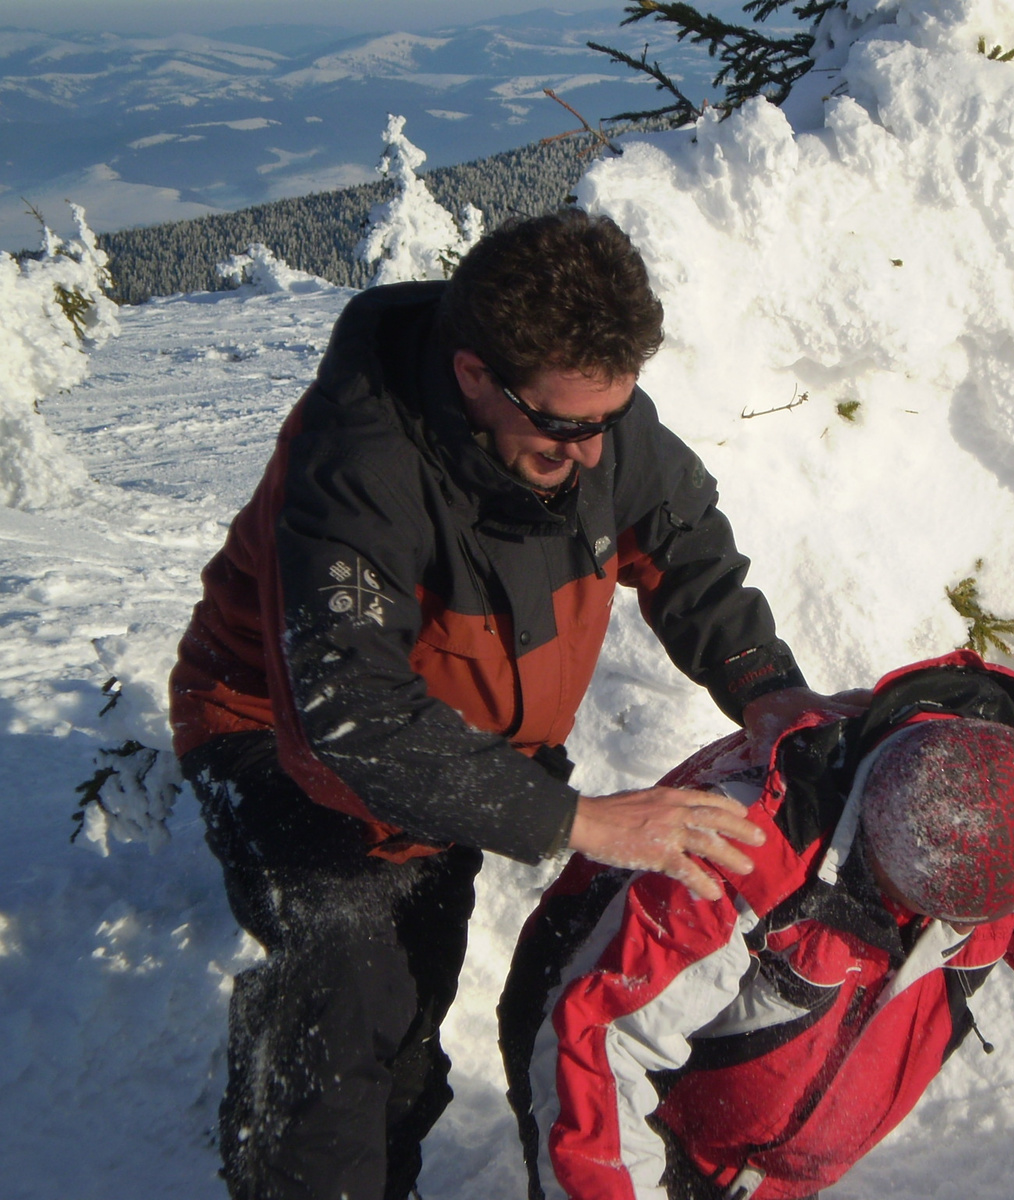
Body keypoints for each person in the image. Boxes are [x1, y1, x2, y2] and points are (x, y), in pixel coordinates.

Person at [169, 210, 840, 1200]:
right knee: (352, 1008)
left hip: (459, 746)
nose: (590, 453)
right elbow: (345, 716)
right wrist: (580, 821)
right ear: (475, 372)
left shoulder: (585, 422)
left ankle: (313, 1098)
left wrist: (765, 685)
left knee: (405, 1020)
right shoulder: (358, 462)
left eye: (609, 419)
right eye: (566, 426)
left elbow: (685, 545)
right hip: (279, 739)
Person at [500, 650, 1014, 1200]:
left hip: (772, 1167)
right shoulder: (745, 836)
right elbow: (591, 1042)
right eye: (918, 914)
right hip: (634, 1117)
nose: (935, 941)